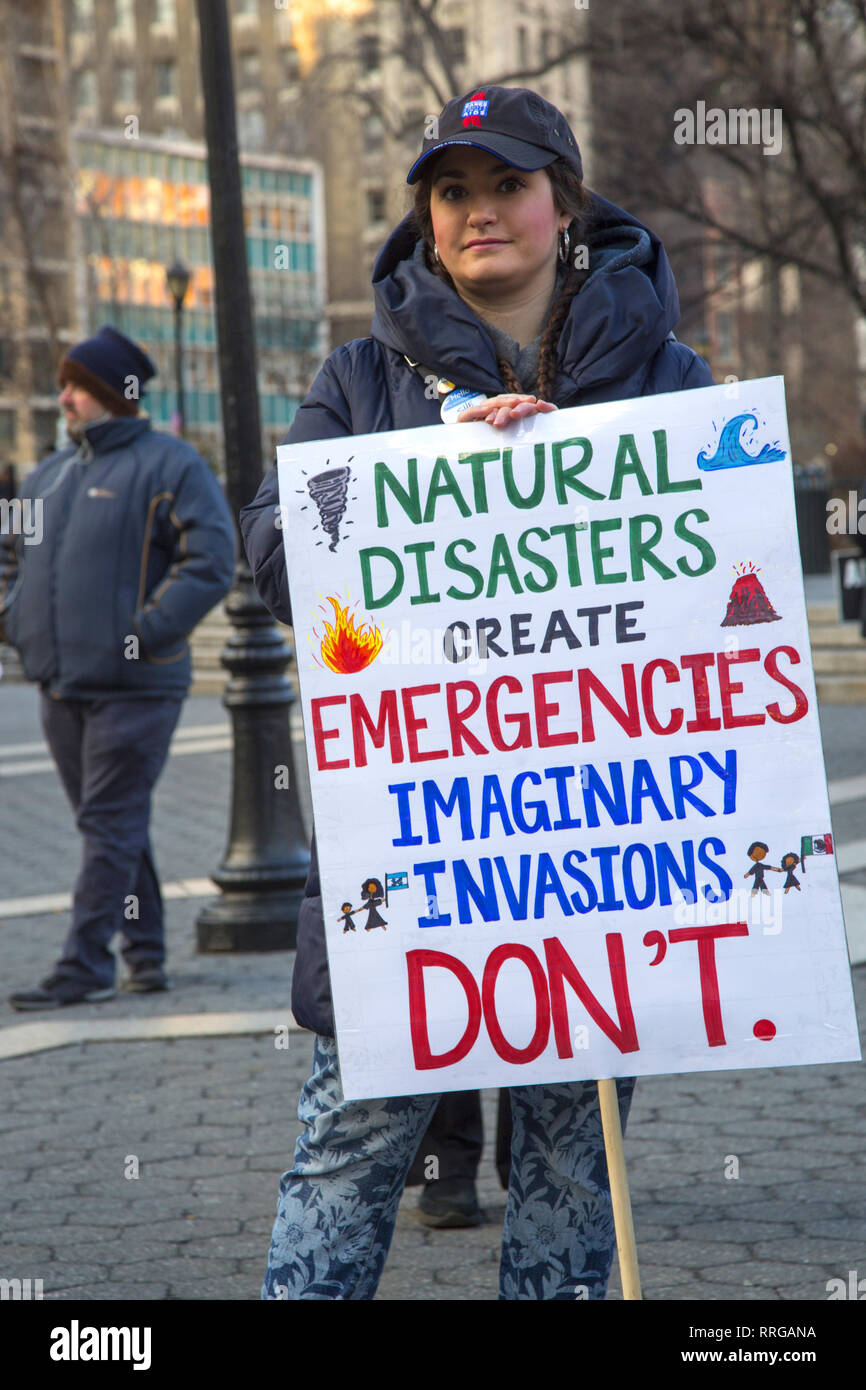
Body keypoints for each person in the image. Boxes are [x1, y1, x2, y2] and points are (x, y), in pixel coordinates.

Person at [240, 85, 715, 1300]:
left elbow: (722, 575)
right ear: (426, 219)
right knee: (345, 1159)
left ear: (564, 205)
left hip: (597, 854)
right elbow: (280, 557)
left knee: (571, 1166)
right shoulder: (357, 378)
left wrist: (573, 478)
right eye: (451, 191)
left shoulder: (668, 379)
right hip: (408, 847)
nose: (478, 211)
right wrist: (440, 470)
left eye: (506, 183)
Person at [0, 325, 236, 1010]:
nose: (64, 396)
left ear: (111, 393)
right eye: (65, 385)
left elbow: (211, 561)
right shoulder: (45, 473)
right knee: (112, 825)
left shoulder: (173, 465)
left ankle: (84, 964)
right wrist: (16, 623)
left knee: (108, 824)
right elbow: (10, 554)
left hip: (138, 685)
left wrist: (146, 631)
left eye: (76, 386)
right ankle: (146, 953)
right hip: (59, 683)